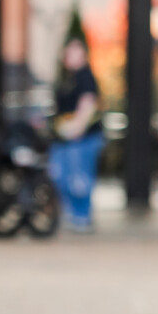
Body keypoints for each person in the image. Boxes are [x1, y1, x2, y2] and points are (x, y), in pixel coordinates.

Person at [48, 34, 104, 233]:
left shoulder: (85, 76)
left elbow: (87, 104)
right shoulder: (66, 78)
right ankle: (72, 212)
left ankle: (82, 215)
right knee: (59, 175)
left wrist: (76, 129)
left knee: (78, 179)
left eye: (75, 52)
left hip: (81, 138)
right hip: (63, 138)